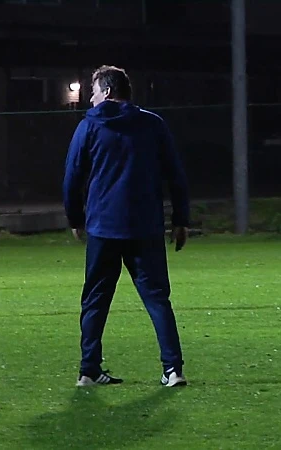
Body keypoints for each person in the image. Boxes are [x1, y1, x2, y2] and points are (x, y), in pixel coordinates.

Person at [63, 65, 191, 387]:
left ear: (106, 92)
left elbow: (72, 177)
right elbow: (176, 175)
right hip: (145, 227)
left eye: (93, 91)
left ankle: (88, 370)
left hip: (103, 227)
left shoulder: (88, 127)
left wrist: (75, 218)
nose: (90, 99)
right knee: (158, 298)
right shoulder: (152, 124)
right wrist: (180, 219)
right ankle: (172, 369)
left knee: (94, 300)